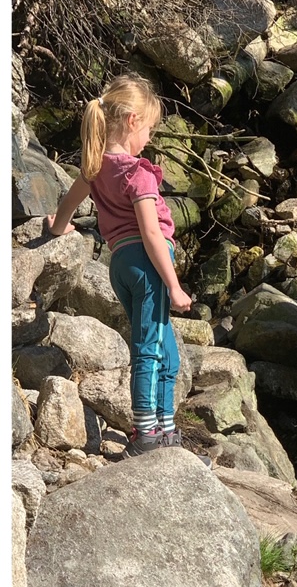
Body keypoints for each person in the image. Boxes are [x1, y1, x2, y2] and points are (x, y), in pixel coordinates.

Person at [47, 73, 210, 467]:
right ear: (133, 121)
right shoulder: (137, 172)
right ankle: (145, 434)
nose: (150, 138)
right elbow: (152, 233)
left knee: (166, 350)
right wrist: (174, 285)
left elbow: (67, 205)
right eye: (150, 128)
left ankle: (166, 432)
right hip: (146, 262)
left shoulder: (96, 166)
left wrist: (57, 226)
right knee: (148, 350)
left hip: (120, 264)